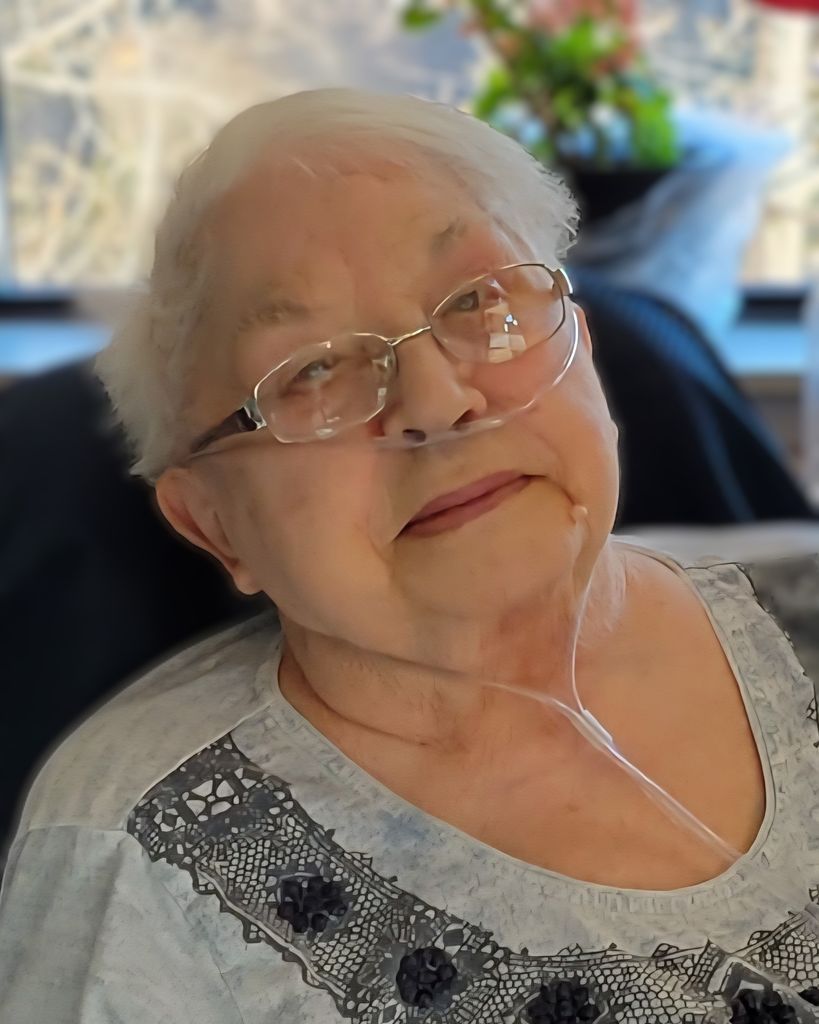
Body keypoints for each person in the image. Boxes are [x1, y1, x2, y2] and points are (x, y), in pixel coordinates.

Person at [1, 88, 818, 1024]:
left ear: (581, 346)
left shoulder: (796, 605)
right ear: (213, 524)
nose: (435, 400)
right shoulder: (136, 868)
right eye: (311, 371)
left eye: (478, 299)